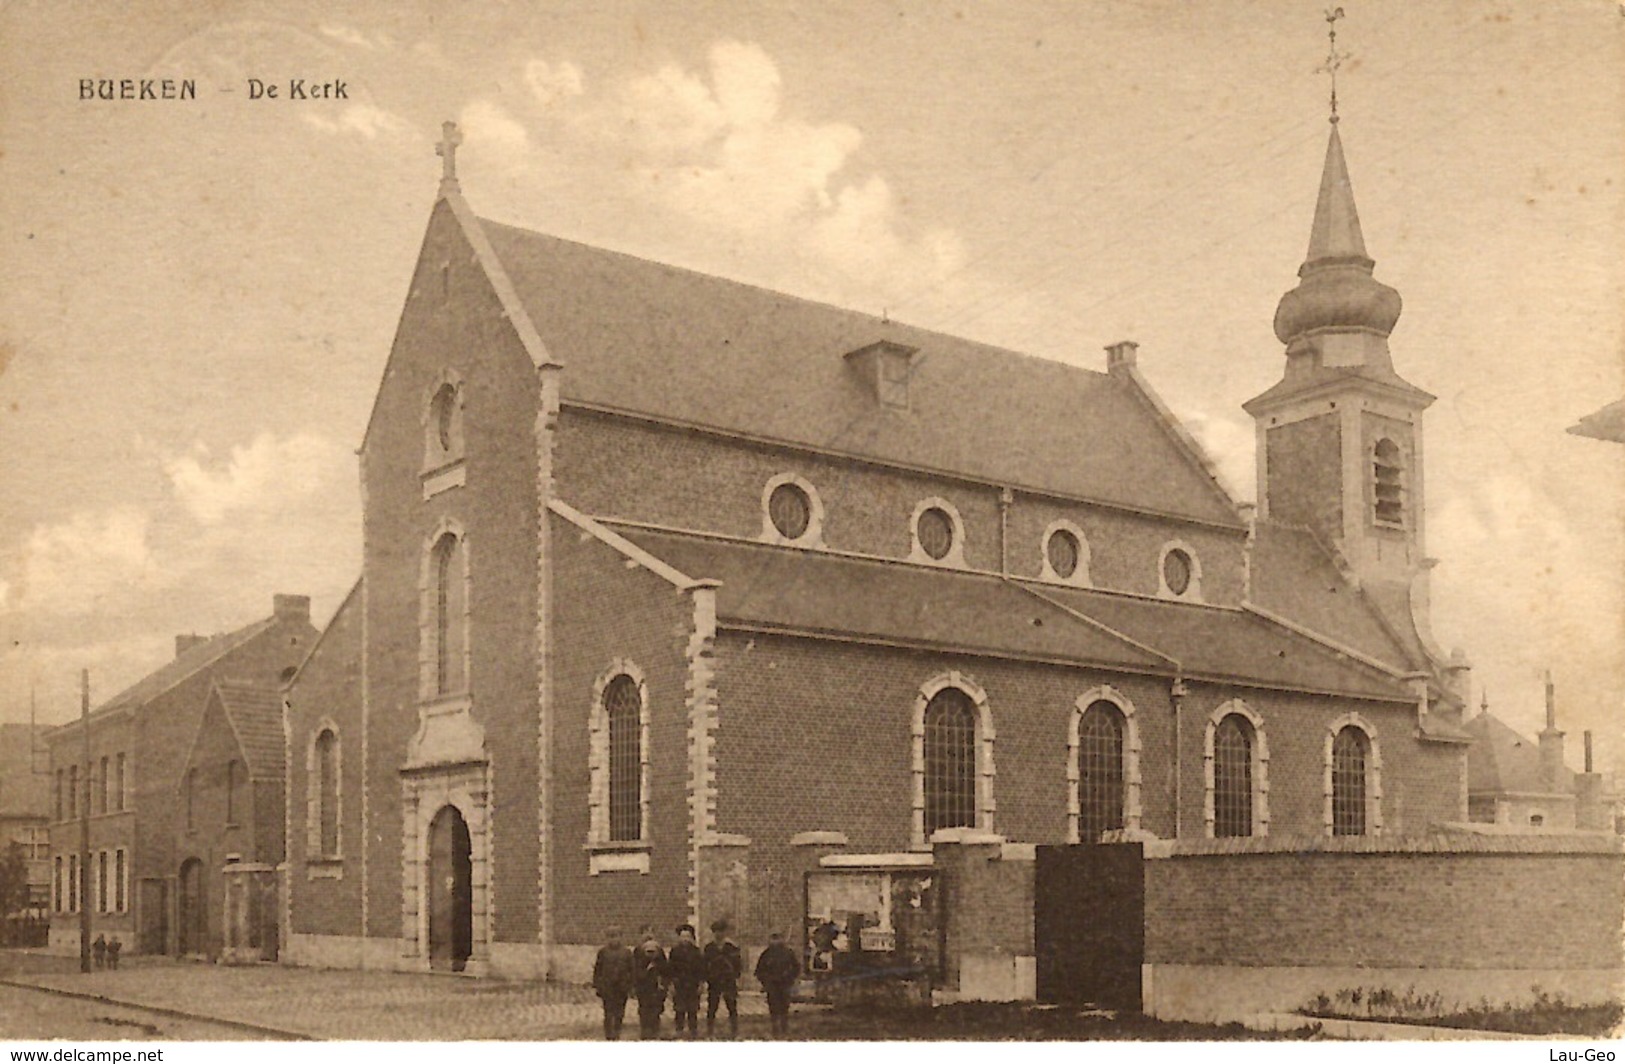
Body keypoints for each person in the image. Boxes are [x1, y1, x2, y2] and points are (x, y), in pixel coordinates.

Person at [754, 931, 801, 1039]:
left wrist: (790, 978)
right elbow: (759, 971)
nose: (775, 942)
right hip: (772, 985)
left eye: (778, 939)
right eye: (773, 939)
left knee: (784, 1007)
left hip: (785, 984)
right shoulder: (766, 954)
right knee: (773, 1007)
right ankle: (775, 1028)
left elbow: (796, 967)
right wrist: (766, 982)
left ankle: (784, 1028)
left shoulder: (788, 953)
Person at [591, 926, 635, 1041]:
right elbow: (598, 969)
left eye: (616, 936)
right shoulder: (603, 952)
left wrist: (631, 986)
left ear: (621, 937)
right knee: (608, 1012)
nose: (613, 940)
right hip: (607, 987)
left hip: (622, 987)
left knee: (619, 1011)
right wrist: (597, 985)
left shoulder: (626, 952)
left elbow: (632, 970)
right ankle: (609, 1034)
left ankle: (617, 1031)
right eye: (610, 937)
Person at [702, 918, 742, 1039]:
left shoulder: (732, 947)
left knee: (732, 1007)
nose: (718, 934)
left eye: (721, 931)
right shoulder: (709, 948)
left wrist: (736, 976)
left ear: (725, 933)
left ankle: (734, 1032)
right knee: (712, 1007)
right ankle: (710, 1032)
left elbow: (738, 964)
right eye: (716, 931)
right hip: (714, 981)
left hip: (728, 981)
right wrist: (706, 978)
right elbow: (704, 964)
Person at [667, 923, 705, 1039]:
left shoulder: (696, 952)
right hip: (680, 984)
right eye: (682, 937)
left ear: (692, 938)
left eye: (687, 937)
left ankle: (693, 1030)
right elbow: (671, 969)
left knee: (692, 1009)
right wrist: (671, 984)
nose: (685, 939)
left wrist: (701, 983)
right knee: (679, 1009)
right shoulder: (674, 952)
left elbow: (701, 969)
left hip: (692, 984)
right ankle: (679, 1029)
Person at [632, 925, 669, 1040]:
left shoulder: (659, 950)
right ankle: (645, 1031)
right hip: (643, 986)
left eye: (651, 932)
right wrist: (645, 971)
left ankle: (655, 1031)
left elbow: (665, 969)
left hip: (656, 986)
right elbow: (634, 968)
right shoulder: (638, 951)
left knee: (656, 1008)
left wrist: (663, 983)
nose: (649, 935)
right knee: (644, 1008)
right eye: (645, 932)